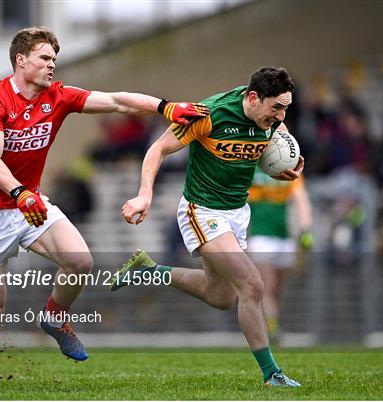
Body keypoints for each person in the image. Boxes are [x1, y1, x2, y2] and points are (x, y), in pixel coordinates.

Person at [0, 26, 208, 388]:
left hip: (28, 204)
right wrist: (19, 192)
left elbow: (116, 101)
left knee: (80, 261)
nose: (52, 66)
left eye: (54, 59)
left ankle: (54, 316)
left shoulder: (58, 96)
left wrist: (164, 107)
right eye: (45, 58)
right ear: (21, 60)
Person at [112, 67, 304, 387]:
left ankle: (149, 270)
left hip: (237, 212)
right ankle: (273, 374)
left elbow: (251, 152)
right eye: (277, 108)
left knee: (221, 297)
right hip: (201, 211)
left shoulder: (269, 121)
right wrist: (144, 194)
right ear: (253, 98)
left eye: (286, 108)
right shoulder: (209, 114)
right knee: (253, 286)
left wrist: (277, 170)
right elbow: (157, 149)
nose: (282, 116)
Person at [247, 169, 313, 344]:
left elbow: (301, 199)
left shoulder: (287, 166)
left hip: (284, 238)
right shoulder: (251, 167)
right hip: (261, 237)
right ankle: (272, 328)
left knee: (278, 288)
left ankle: (272, 323)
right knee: (268, 285)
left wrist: (305, 230)